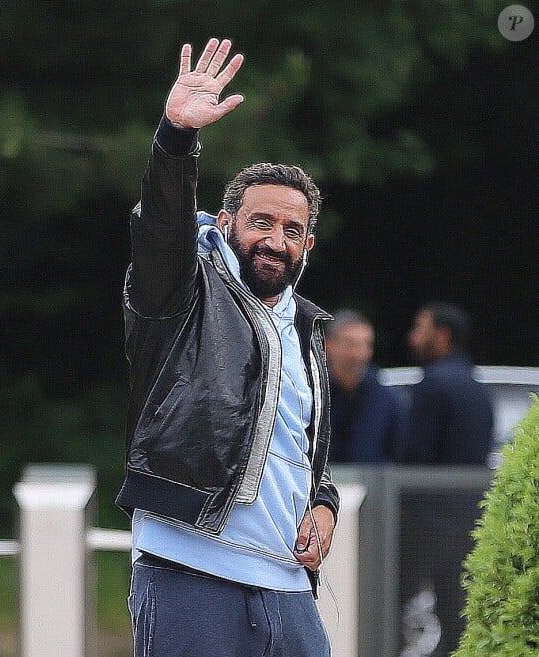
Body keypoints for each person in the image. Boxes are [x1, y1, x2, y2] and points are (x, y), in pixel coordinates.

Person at [115, 38, 339, 657]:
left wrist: (324, 504)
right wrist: (176, 138)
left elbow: (302, 449)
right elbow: (160, 227)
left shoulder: (307, 330)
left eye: (292, 230)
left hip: (290, 589)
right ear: (226, 220)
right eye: (261, 222)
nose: (275, 239)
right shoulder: (181, 294)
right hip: (190, 573)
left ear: (308, 247)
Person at [395, 302, 493, 464]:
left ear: (442, 335)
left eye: (420, 329)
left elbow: (416, 455)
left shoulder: (433, 384)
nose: (413, 339)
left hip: (434, 486)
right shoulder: (477, 386)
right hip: (470, 487)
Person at [325, 309, 406, 463]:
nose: (358, 354)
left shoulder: (389, 400)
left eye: (365, 345)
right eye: (350, 344)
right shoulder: (309, 396)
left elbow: (399, 458)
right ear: (329, 345)